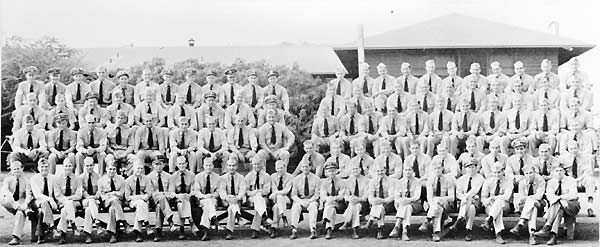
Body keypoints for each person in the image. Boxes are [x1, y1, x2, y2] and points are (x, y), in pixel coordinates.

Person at [534, 165, 580, 245]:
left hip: (571, 205)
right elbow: (549, 195)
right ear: (553, 173)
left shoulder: (571, 180)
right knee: (559, 211)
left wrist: (561, 198)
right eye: (556, 171)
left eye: (560, 170)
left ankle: (547, 227)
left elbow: (574, 195)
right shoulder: (551, 182)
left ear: (564, 172)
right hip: (559, 207)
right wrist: (560, 201)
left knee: (557, 204)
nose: (558, 173)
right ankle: (553, 236)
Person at [418, 161, 456, 242]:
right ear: (432, 170)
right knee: (438, 208)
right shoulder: (430, 181)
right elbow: (429, 197)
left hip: (447, 205)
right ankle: (436, 232)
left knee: (436, 201)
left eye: (439, 168)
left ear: (442, 168)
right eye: (435, 168)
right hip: (435, 206)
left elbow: (452, 198)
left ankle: (427, 220)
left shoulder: (449, 180)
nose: (437, 170)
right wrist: (434, 205)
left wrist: (439, 199)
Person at [448, 159, 484, 241]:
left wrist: (465, 198)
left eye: (473, 167)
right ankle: (469, 230)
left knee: (470, 201)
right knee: (471, 208)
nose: (471, 169)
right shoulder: (461, 179)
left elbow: (474, 191)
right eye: (469, 167)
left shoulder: (480, 178)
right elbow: (458, 193)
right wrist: (463, 198)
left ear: (476, 168)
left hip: (477, 203)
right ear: (465, 169)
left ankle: (459, 220)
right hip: (464, 204)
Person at [510, 165, 546, 245]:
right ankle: (532, 234)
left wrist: (528, 198)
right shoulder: (522, 182)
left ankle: (521, 223)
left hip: (539, 204)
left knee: (533, 204)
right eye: (526, 173)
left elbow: (539, 196)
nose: (529, 175)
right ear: (524, 174)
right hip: (525, 207)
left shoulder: (541, 181)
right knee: (533, 208)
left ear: (535, 173)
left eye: (531, 173)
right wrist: (530, 199)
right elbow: (521, 198)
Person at [480, 163, 514, 244]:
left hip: (505, 205)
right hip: (491, 206)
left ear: (503, 172)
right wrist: (486, 201)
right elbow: (483, 197)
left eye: (498, 172)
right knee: (496, 211)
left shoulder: (508, 182)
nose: (497, 175)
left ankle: (489, 220)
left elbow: (506, 197)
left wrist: (493, 198)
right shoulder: (488, 181)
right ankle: (498, 234)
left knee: (499, 201)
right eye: (494, 172)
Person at [561, 140, 596, 217]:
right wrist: (570, 180)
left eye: (575, 148)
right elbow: (561, 172)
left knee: (590, 180)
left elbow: (587, 171)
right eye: (571, 149)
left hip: (580, 180)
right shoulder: (564, 159)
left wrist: (578, 179)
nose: (573, 151)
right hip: (569, 181)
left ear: (578, 148)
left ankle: (590, 207)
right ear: (568, 149)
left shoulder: (585, 158)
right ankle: (565, 208)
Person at [0, 161, 31, 246]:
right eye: (14, 169)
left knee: (21, 213)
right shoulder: (8, 180)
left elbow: (28, 195)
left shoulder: (26, 180)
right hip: (10, 202)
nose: (16, 171)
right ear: (12, 170)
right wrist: (16, 205)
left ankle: (16, 237)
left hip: (21, 202)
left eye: (18, 169)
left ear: (22, 169)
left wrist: (25, 203)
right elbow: (6, 192)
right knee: (3, 198)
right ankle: (25, 210)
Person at [389, 165, 423, 241]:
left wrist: (407, 200)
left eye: (409, 170)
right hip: (402, 205)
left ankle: (397, 226)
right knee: (406, 207)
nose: (407, 172)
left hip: (415, 204)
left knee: (407, 206)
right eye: (406, 170)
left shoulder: (417, 181)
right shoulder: (399, 182)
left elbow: (417, 196)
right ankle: (404, 231)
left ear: (413, 172)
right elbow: (396, 196)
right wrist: (402, 201)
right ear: (403, 171)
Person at [29, 159, 58, 244]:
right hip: (36, 202)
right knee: (44, 202)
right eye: (42, 167)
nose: (44, 168)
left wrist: (55, 200)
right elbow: (37, 195)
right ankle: (52, 226)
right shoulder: (34, 178)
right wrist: (50, 199)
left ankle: (40, 235)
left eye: (46, 167)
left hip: (48, 204)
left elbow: (56, 192)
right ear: (38, 168)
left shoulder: (53, 178)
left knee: (41, 212)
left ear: (49, 168)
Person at [192, 157, 221, 241]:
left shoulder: (217, 177)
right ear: (203, 166)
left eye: (210, 165)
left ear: (213, 166)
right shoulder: (198, 177)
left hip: (213, 200)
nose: (208, 167)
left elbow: (219, 192)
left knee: (208, 206)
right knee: (207, 203)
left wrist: (211, 195)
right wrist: (205, 196)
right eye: (206, 165)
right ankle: (213, 218)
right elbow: (196, 191)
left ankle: (206, 231)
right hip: (202, 200)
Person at [290, 160, 320, 239]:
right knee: (295, 207)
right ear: (300, 168)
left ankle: (313, 230)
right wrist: (301, 202)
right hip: (300, 200)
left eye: (307, 166)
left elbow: (317, 194)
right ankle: (294, 230)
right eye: (303, 167)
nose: (305, 168)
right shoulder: (296, 179)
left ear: (310, 167)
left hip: (311, 200)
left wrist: (309, 201)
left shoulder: (316, 179)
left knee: (313, 207)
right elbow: (293, 194)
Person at [53, 159, 82, 244]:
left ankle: (62, 234)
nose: (68, 168)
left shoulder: (77, 179)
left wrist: (68, 200)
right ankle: (73, 225)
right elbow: (58, 195)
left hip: (75, 203)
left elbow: (79, 195)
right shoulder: (58, 179)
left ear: (72, 167)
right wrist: (66, 201)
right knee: (64, 209)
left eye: (69, 166)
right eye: (66, 166)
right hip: (61, 202)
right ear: (63, 167)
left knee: (64, 210)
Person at [146, 157, 175, 242]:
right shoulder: (148, 177)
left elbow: (171, 192)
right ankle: (170, 221)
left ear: (164, 165)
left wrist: (162, 195)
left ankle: (158, 231)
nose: (158, 166)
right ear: (152, 165)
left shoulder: (169, 177)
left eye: (160, 164)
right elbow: (151, 193)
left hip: (167, 201)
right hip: (153, 201)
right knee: (159, 201)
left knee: (160, 206)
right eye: (156, 164)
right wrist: (162, 194)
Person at [170, 156, 198, 239]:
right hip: (177, 199)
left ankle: (181, 230)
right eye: (179, 164)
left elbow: (194, 190)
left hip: (189, 199)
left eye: (183, 163)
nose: (181, 165)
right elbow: (171, 192)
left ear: (186, 164)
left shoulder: (192, 175)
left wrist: (187, 196)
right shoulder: (173, 176)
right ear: (176, 165)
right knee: (180, 203)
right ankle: (191, 223)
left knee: (182, 203)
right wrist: (179, 196)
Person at [98, 163, 127, 243]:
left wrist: (112, 193)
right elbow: (102, 196)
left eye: (114, 169)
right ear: (106, 169)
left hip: (118, 202)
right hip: (107, 203)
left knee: (112, 209)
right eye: (110, 169)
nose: (112, 171)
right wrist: (114, 194)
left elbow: (122, 195)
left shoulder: (121, 179)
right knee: (113, 202)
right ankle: (124, 222)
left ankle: (112, 234)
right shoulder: (101, 180)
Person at [124, 162, 153, 242]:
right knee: (141, 204)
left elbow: (149, 193)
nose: (140, 170)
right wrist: (140, 197)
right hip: (133, 203)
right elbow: (127, 197)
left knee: (141, 205)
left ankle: (138, 232)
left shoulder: (146, 179)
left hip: (144, 202)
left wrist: (143, 198)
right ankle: (147, 224)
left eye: (141, 168)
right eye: (138, 168)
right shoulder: (127, 181)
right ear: (133, 168)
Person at [363, 164, 394, 239]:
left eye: (382, 170)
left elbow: (391, 197)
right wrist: (374, 201)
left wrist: (382, 200)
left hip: (388, 204)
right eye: (378, 171)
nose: (380, 172)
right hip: (376, 204)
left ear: (385, 171)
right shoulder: (372, 181)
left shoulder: (391, 181)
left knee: (380, 207)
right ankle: (380, 230)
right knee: (380, 209)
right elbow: (370, 196)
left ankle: (370, 220)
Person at [219, 158, 247, 240]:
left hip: (237, 200)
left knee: (231, 208)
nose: (231, 168)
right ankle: (239, 218)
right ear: (227, 166)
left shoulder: (241, 177)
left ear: (237, 166)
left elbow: (242, 190)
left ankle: (229, 231)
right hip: (226, 200)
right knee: (232, 204)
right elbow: (222, 190)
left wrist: (238, 197)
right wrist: (227, 198)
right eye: (230, 165)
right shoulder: (222, 178)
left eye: (233, 165)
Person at [338, 162, 368, 239]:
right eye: (353, 169)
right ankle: (355, 229)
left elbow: (366, 195)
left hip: (363, 203)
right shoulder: (348, 181)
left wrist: (359, 199)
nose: (355, 171)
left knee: (356, 205)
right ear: (351, 171)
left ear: (360, 169)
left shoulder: (366, 180)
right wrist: (350, 198)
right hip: (352, 203)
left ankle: (347, 221)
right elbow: (346, 195)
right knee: (355, 206)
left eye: (357, 169)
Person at [244, 157, 272, 238]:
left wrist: (259, 192)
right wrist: (254, 193)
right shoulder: (248, 176)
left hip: (263, 197)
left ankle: (255, 229)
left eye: (258, 164)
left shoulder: (266, 176)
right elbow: (246, 191)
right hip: (251, 198)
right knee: (258, 200)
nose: (256, 166)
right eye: (254, 164)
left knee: (259, 202)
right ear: (252, 165)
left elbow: (267, 190)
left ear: (261, 164)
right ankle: (264, 219)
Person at [105, 110, 137, 175]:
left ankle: (127, 174)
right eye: (118, 117)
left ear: (125, 119)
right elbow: (106, 145)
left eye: (122, 118)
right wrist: (113, 152)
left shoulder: (128, 130)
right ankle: (112, 176)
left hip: (124, 151)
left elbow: (131, 145)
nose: (119, 120)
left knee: (135, 159)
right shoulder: (108, 129)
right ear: (115, 118)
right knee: (109, 159)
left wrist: (125, 154)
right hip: (113, 152)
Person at [80, 157, 103, 244]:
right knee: (90, 202)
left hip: (95, 201)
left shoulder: (98, 177)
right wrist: (89, 197)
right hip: (85, 200)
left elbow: (99, 191)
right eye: (87, 166)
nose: (89, 167)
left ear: (94, 165)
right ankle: (97, 224)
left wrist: (95, 197)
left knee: (88, 210)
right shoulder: (80, 178)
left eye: (91, 165)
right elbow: (81, 190)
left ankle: (88, 234)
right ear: (84, 166)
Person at [320, 162, 345, 239]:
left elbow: (342, 195)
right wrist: (328, 199)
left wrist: (333, 199)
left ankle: (325, 220)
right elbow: (323, 195)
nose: (331, 173)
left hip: (340, 204)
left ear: (336, 171)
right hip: (329, 204)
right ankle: (329, 229)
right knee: (331, 208)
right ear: (326, 172)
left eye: (333, 171)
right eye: (329, 171)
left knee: (330, 205)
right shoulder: (324, 182)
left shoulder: (341, 182)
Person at [269, 160, 293, 238]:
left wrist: (276, 194)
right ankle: (283, 216)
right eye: (278, 168)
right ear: (275, 168)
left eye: (282, 168)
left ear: (285, 167)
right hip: (276, 199)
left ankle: (275, 227)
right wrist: (276, 193)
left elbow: (286, 190)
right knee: (276, 206)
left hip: (287, 198)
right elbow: (274, 189)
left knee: (278, 202)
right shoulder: (272, 176)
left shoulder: (290, 177)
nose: (280, 170)